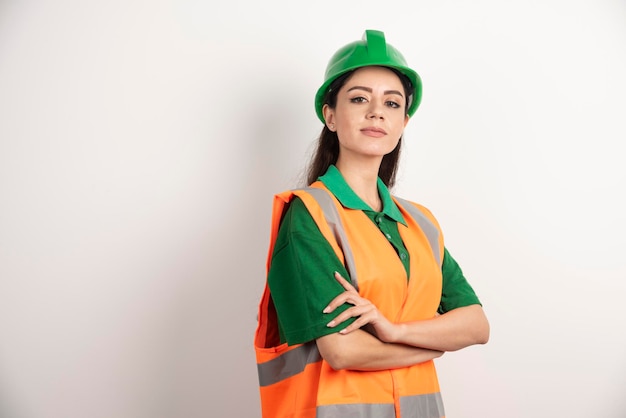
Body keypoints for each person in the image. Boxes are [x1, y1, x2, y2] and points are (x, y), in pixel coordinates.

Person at [254, 29, 490, 418]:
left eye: (392, 102)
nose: (376, 111)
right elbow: (343, 350)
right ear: (330, 116)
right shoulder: (309, 215)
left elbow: (476, 325)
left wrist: (394, 331)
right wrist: (436, 341)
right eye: (360, 98)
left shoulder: (421, 223)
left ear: (403, 122)